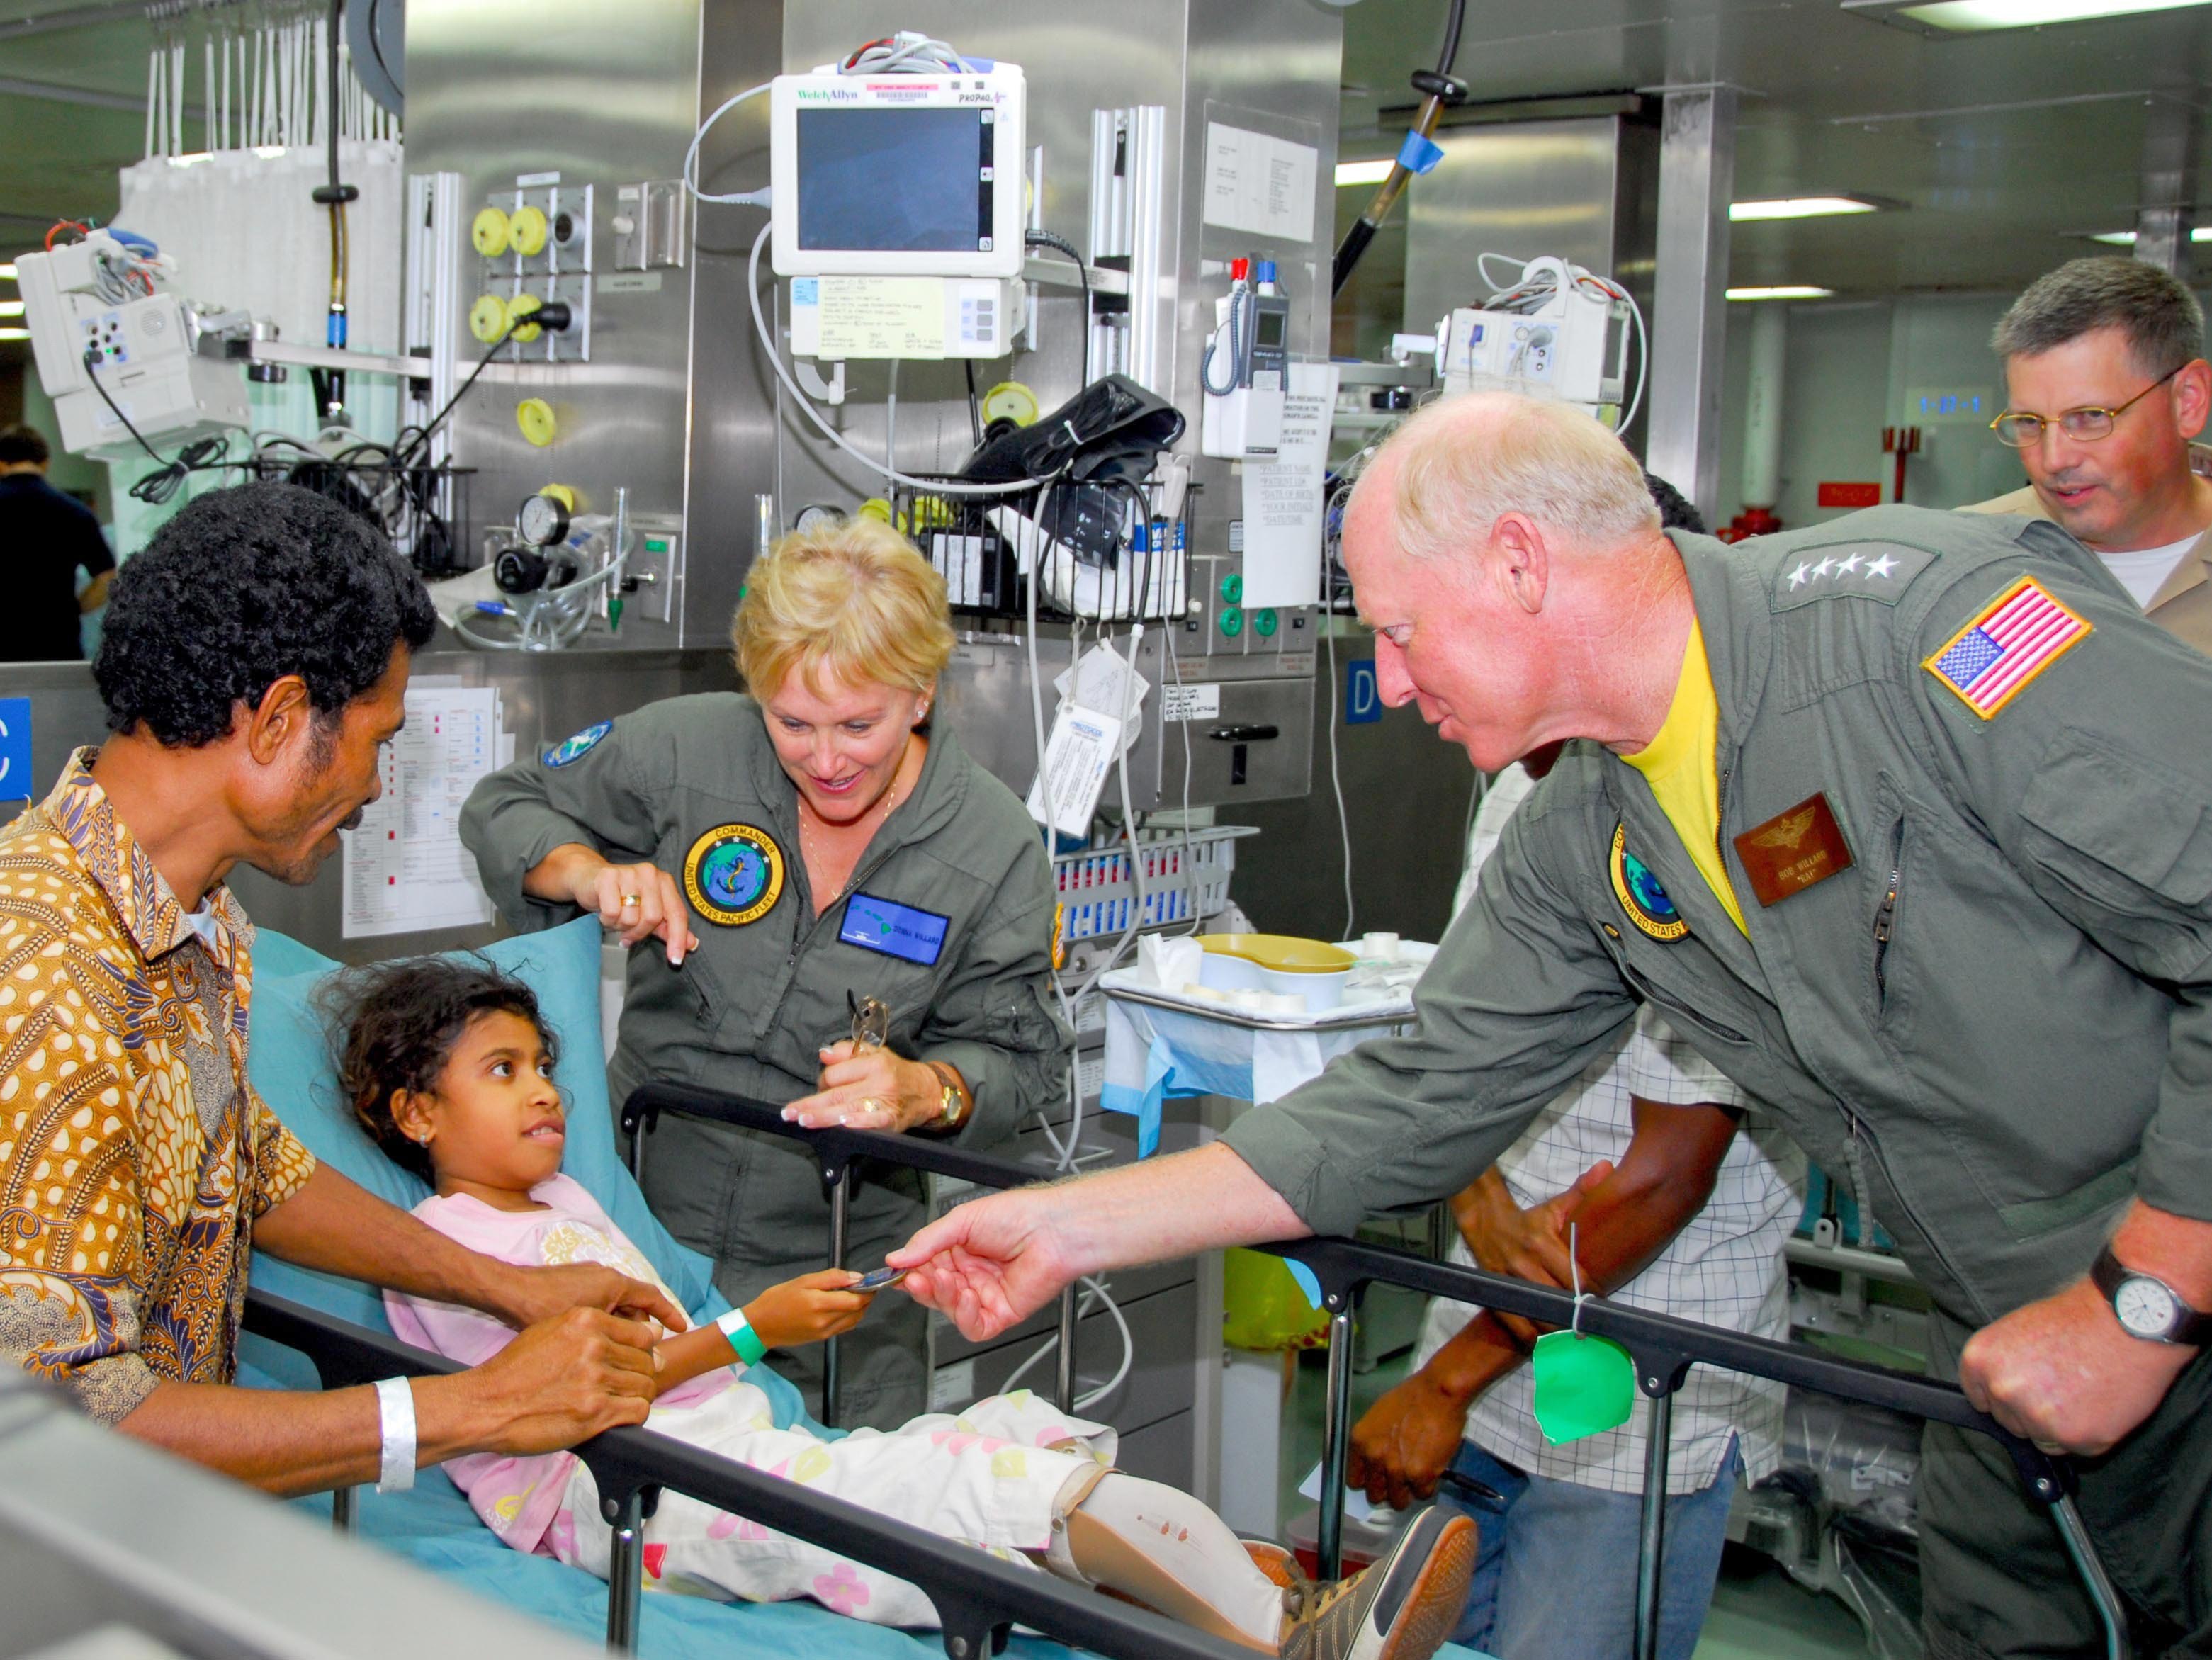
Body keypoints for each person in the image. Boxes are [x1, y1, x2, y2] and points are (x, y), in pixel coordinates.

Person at [893, 391, 2212, 1658]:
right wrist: (1068, 1226)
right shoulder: (1592, 831)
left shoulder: (1915, 628)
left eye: (1402, 633)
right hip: (2005, 1343)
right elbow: (1418, 1093)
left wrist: (2138, 1301)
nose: (1393, 685)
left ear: (1520, 563)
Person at [347, 953, 1474, 1659]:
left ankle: (1250, 1601)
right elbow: (576, 1396)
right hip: (634, 1501)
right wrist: (756, 1328)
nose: (545, 1084)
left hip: (733, 1448)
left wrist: (757, 1347)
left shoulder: (564, 1193)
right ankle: (1288, 1633)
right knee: (947, 1486)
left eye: (543, 1060)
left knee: (998, 1432)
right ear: (413, 1110)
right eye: (501, 1070)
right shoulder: (443, 1249)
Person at [0, 482, 689, 1496]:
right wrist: (475, 1405)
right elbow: (58, 1428)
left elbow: (250, 1164)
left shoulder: (194, 922)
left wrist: (507, 1285)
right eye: (378, 740)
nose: (374, 785)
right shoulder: (47, 975)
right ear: (280, 719)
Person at [461, 515, 1069, 1428]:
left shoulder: (991, 844)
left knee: (834, 1537)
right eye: (792, 723)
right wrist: (587, 872)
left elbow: (1025, 1062)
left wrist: (926, 1089)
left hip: (840, 1288)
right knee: (631, 1523)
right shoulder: (687, 750)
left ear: (921, 695)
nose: (825, 761)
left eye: (858, 725)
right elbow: (506, 803)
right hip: (631, 1243)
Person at [1962, 258, 2212, 648]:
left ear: (2188, 402)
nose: (2054, 460)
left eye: (2091, 417)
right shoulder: (1968, 560)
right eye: (2029, 422)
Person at [0, 422, 116, 661]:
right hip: (57, 645)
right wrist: (74, 609)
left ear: (1, 463)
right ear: (45, 463)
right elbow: (107, 577)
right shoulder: (76, 513)